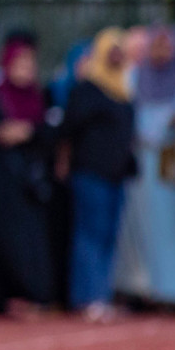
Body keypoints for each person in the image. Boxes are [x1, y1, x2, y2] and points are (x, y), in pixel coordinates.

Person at [0, 33, 56, 315]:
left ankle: (27, 294)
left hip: (27, 182)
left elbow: (47, 132)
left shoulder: (40, 95)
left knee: (27, 242)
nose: (26, 68)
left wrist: (26, 132)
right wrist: (17, 132)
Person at [113, 26, 175, 310]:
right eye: (156, 45)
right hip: (138, 164)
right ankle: (137, 289)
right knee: (134, 227)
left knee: (171, 229)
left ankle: (172, 291)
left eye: (166, 46)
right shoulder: (132, 78)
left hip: (169, 167)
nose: (161, 52)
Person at [59, 29, 136, 321]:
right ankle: (86, 296)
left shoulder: (124, 89)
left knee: (108, 236)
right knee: (89, 235)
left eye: (120, 49)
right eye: (111, 49)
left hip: (116, 175)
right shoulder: (87, 89)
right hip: (90, 172)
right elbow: (69, 129)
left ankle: (101, 295)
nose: (117, 55)